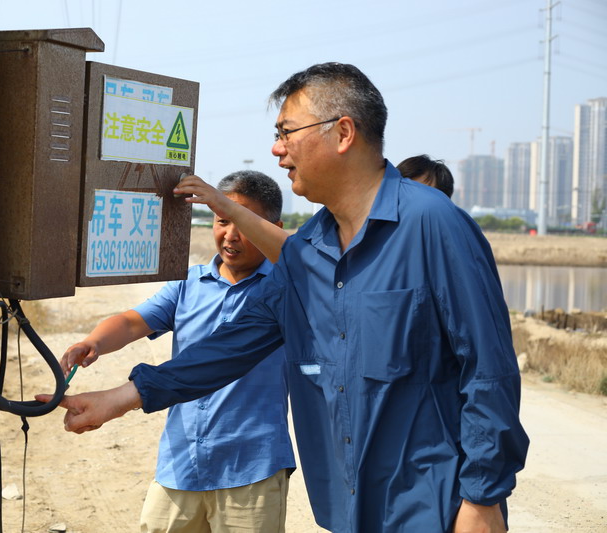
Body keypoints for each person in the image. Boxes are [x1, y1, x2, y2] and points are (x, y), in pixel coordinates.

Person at [38, 63, 529, 533]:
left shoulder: (432, 224)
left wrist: (482, 498)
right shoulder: (308, 250)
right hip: (351, 504)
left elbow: (489, 371)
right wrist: (121, 398)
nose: (277, 150)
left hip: (432, 503)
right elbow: (233, 344)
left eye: (287, 132)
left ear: (343, 133)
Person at [54, 170, 295, 533]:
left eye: (244, 222)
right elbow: (132, 322)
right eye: (222, 220)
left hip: (252, 468)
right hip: (181, 465)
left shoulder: (288, 290)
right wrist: (94, 342)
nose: (230, 235)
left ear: (272, 228)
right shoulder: (188, 283)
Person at [173, 154, 454, 264]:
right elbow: (300, 257)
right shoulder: (333, 236)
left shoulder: (447, 254)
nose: (280, 151)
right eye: (223, 220)